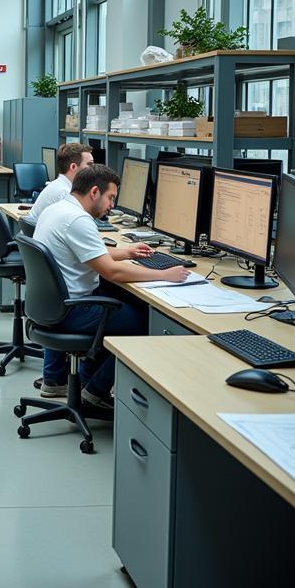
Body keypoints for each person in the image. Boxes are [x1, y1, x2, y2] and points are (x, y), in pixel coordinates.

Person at [32, 163, 188, 409]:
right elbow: (111, 272)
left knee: (123, 304)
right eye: (110, 197)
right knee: (145, 322)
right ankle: (94, 390)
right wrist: (164, 274)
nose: (112, 205)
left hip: (51, 305)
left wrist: (125, 251)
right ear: (94, 192)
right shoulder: (78, 220)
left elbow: (87, 252)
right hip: (72, 310)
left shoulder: (59, 209)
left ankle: (83, 381)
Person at [29, 141, 95, 222]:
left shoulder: (59, 185)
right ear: (73, 167)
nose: (93, 169)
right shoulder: (64, 193)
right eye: (89, 164)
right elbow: (77, 222)